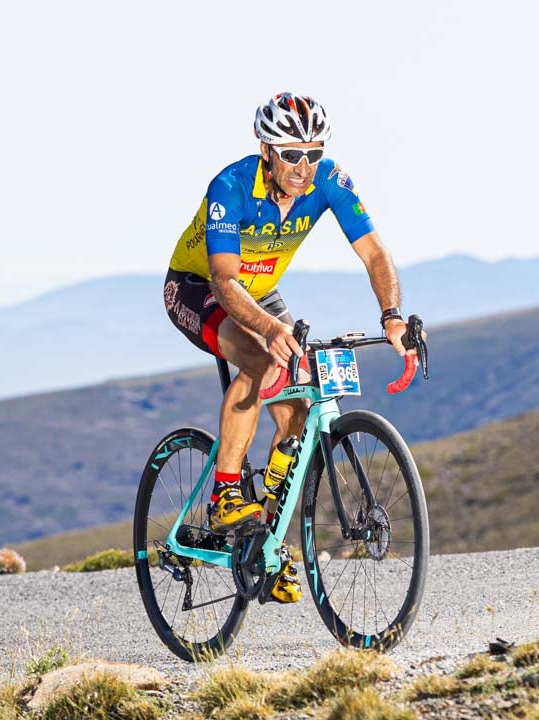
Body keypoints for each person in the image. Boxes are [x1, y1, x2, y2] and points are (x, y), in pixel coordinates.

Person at [162, 93, 414, 603]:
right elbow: (225, 280)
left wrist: (391, 316)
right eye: (291, 153)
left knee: (299, 405)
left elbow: (374, 251)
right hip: (201, 286)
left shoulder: (329, 181)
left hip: (260, 291)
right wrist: (270, 331)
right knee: (257, 358)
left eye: (313, 153)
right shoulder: (230, 187)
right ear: (266, 149)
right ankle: (225, 495)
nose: (304, 166)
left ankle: (268, 540)